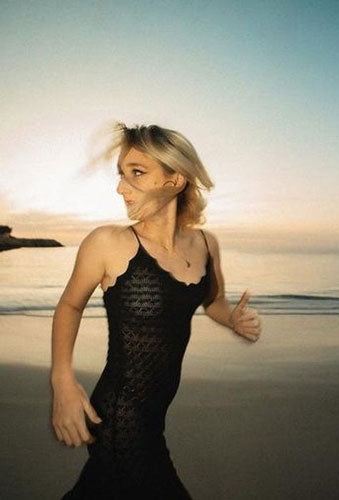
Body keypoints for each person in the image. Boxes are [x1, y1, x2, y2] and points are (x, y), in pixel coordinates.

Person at [50, 123, 262, 499]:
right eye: (121, 174)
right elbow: (70, 305)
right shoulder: (108, 243)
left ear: (175, 180)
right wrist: (62, 380)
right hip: (119, 418)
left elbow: (212, 301)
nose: (121, 187)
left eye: (136, 172)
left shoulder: (205, 245)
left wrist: (231, 319)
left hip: (153, 416)